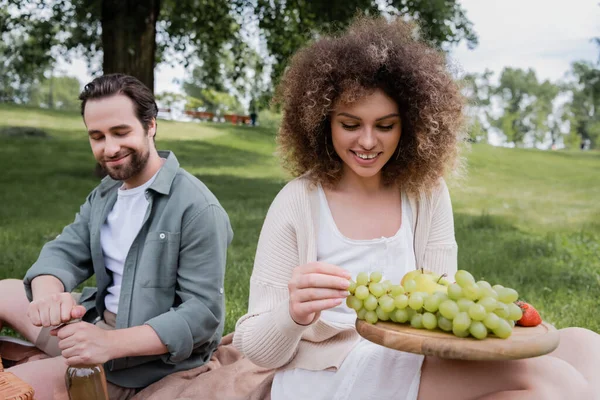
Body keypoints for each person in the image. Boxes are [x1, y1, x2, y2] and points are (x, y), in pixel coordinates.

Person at [233, 17, 599, 399]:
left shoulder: (426, 192)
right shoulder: (297, 201)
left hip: (413, 356)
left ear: (410, 125)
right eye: (350, 124)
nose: (368, 141)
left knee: (586, 345)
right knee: (553, 383)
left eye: (386, 125)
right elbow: (258, 351)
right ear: (323, 123)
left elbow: (443, 313)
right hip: (331, 371)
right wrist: (291, 313)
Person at [0, 74, 233, 400]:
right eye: (97, 136)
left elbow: (202, 314)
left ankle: (38, 369)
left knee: (10, 390)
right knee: (3, 292)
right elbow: (64, 252)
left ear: (150, 125)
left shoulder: (197, 207)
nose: (109, 148)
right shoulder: (106, 194)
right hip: (95, 323)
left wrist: (107, 344)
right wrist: (48, 295)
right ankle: (34, 358)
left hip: (141, 360)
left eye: (121, 132)